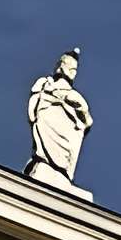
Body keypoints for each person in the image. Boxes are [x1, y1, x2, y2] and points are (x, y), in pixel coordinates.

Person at [26, 50, 94, 190]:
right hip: (47, 121)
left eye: (73, 68)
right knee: (46, 155)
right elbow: (34, 105)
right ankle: (45, 162)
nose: (71, 71)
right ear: (60, 66)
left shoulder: (75, 96)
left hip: (68, 132)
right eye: (68, 65)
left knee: (64, 156)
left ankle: (62, 173)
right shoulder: (45, 83)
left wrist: (79, 107)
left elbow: (87, 121)